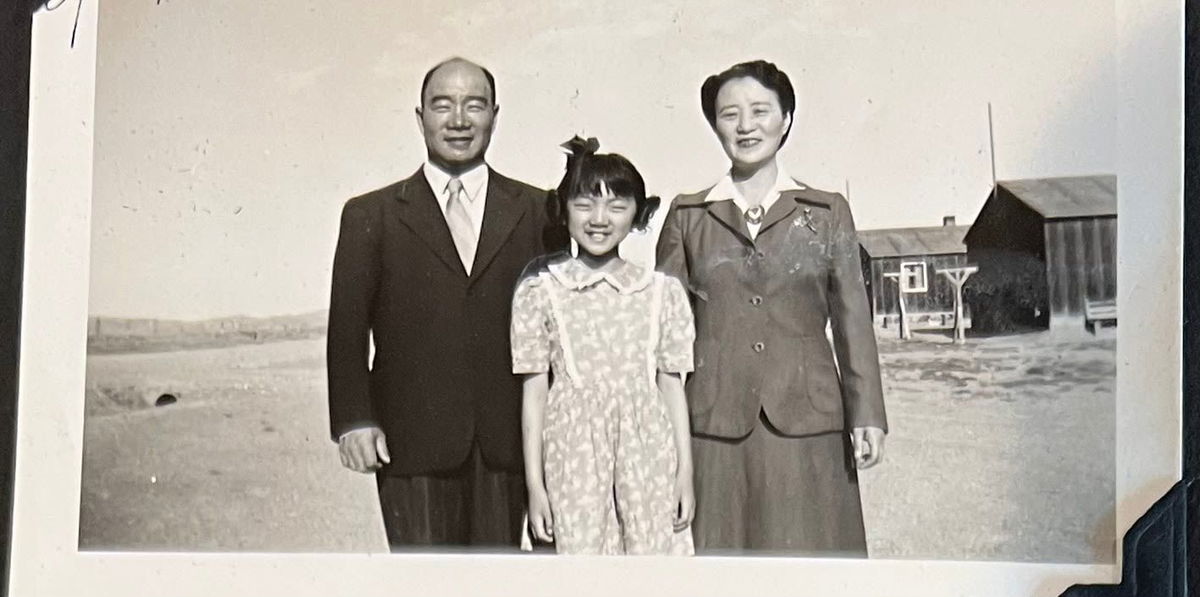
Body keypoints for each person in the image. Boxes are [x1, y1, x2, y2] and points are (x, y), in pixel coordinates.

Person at [326, 57, 567, 550]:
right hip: (409, 442)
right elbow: (348, 329)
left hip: (511, 442)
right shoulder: (370, 214)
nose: (459, 120)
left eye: (474, 105)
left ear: (495, 117)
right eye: (443, 105)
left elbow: (561, 324)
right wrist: (354, 419)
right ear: (420, 118)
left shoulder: (540, 210)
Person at [655, 59, 888, 555]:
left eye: (760, 111)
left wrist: (867, 411)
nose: (745, 126)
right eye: (729, 114)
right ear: (714, 125)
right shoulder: (687, 215)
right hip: (715, 425)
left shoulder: (826, 211)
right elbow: (664, 336)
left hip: (809, 421)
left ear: (785, 120)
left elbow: (852, 317)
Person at [511, 137, 696, 555]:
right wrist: (535, 486)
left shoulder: (660, 292)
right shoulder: (541, 289)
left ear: (637, 214)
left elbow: (671, 387)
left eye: (616, 206)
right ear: (565, 210)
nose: (599, 219)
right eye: (584, 204)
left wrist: (684, 471)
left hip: (647, 456)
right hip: (573, 459)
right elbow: (535, 392)